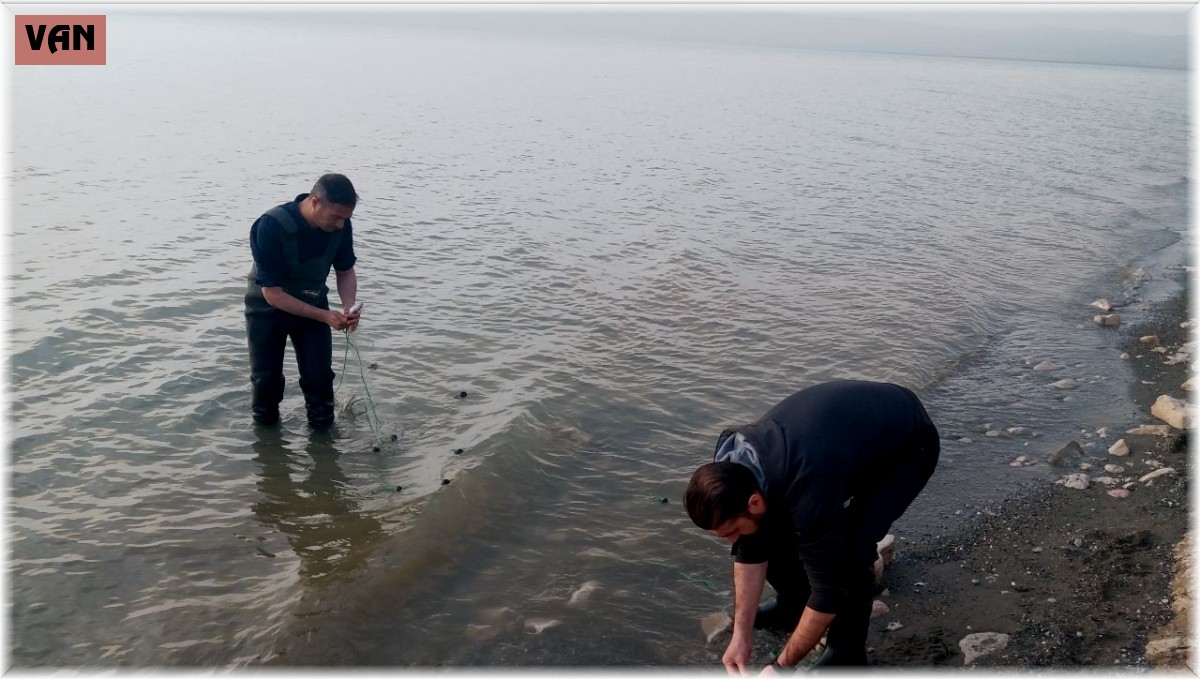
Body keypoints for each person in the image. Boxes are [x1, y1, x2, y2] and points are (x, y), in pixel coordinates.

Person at [684, 380, 939, 672]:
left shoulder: (807, 485)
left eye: (730, 532)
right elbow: (750, 551)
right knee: (761, 529)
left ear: (753, 501)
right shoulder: (733, 468)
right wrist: (741, 636)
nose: (731, 542)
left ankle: (847, 655)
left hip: (907, 445)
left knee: (850, 550)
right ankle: (792, 605)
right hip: (841, 444)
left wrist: (781, 666)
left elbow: (829, 591)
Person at [244, 173, 362, 429]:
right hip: (266, 309)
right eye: (336, 217)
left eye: (346, 219)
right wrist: (325, 316)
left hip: (314, 302)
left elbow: (345, 271)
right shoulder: (270, 225)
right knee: (267, 382)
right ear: (315, 203)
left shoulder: (341, 226)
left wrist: (348, 306)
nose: (341, 225)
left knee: (319, 379)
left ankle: (324, 449)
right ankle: (268, 448)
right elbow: (272, 293)